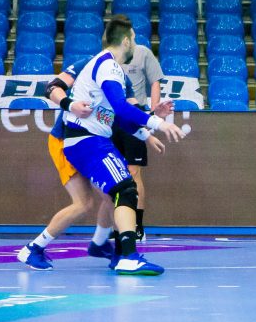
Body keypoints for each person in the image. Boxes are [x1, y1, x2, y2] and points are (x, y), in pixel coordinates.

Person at [16, 62, 173, 271]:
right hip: (67, 139)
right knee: (83, 203)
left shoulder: (122, 78)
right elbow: (51, 88)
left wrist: (152, 118)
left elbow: (129, 112)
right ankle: (33, 248)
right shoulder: (91, 65)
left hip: (92, 140)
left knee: (113, 195)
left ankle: (100, 244)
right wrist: (70, 104)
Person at [62, 15, 186, 275]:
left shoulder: (106, 66)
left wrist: (145, 133)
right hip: (86, 139)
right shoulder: (109, 66)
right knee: (125, 189)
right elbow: (120, 107)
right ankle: (126, 255)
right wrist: (158, 124)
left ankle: (118, 251)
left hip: (88, 138)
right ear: (127, 41)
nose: (136, 45)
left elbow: (116, 117)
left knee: (124, 190)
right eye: (135, 40)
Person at [114, 42, 165, 241]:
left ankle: (137, 226)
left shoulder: (143, 52)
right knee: (114, 174)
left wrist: (152, 115)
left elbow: (155, 81)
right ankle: (118, 227)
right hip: (110, 118)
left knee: (133, 172)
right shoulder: (108, 55)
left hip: (134, 115)